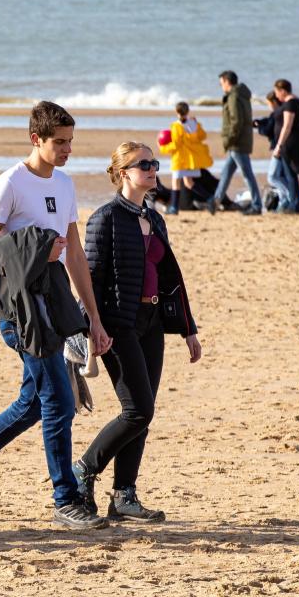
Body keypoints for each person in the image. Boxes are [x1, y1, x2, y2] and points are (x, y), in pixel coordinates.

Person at [0, 101, 113, 531]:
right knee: (59, 402)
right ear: (36, 139)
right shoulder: (10, 183)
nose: (67, 149)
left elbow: (74, 255)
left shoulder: (66, 185)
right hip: (20, 311)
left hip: (54, 305)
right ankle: (65, 497)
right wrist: (33, 245)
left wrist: (92, 317)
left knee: (34, 404)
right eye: (59, 142)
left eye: (71, 141)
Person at [74, 142, 202, 523]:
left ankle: (124, 495)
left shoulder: (155, 218)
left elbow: (170, 278)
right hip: (117, 324)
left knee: (143, 413)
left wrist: (187, 330)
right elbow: (90, 279)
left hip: (152, 324)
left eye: (154, 163)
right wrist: (93, 325)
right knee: (138, 410)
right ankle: (83, 470)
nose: (152, 169)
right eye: (143, 164)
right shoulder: (105, 219)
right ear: (123, 172)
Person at [209, 71, 259, 215]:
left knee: (247, 174)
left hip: (237, 142)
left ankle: (256, 205)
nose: (221, 86)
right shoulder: (241, 95)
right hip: (239, 141)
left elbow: (236, 122)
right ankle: (216, 201)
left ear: (226, 81)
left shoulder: (234, 96)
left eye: (221, 83)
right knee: (226, 173)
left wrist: (228, 140)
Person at [158, 102, 213, 215]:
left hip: (180, 159)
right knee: (189, 182)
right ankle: (210, 199)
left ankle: (174, 208)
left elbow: (176, 145)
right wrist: (196, 123)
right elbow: (203, 136)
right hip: (191, 159)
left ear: (177, 112)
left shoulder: (176, 126)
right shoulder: (194, 123)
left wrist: (162, 148)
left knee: (176, 182)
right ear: (188, 111)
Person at [272, 79, 299, 213]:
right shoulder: (298, 102)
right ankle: (294, 201)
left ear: (283, 91)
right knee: (288, 173)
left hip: (290, 143)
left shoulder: (290, 104)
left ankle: (295, 203)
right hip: (296, 141)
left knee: (290, 174)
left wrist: (279, 145)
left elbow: (287, 126)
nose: (276, 96)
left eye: (277, 92)